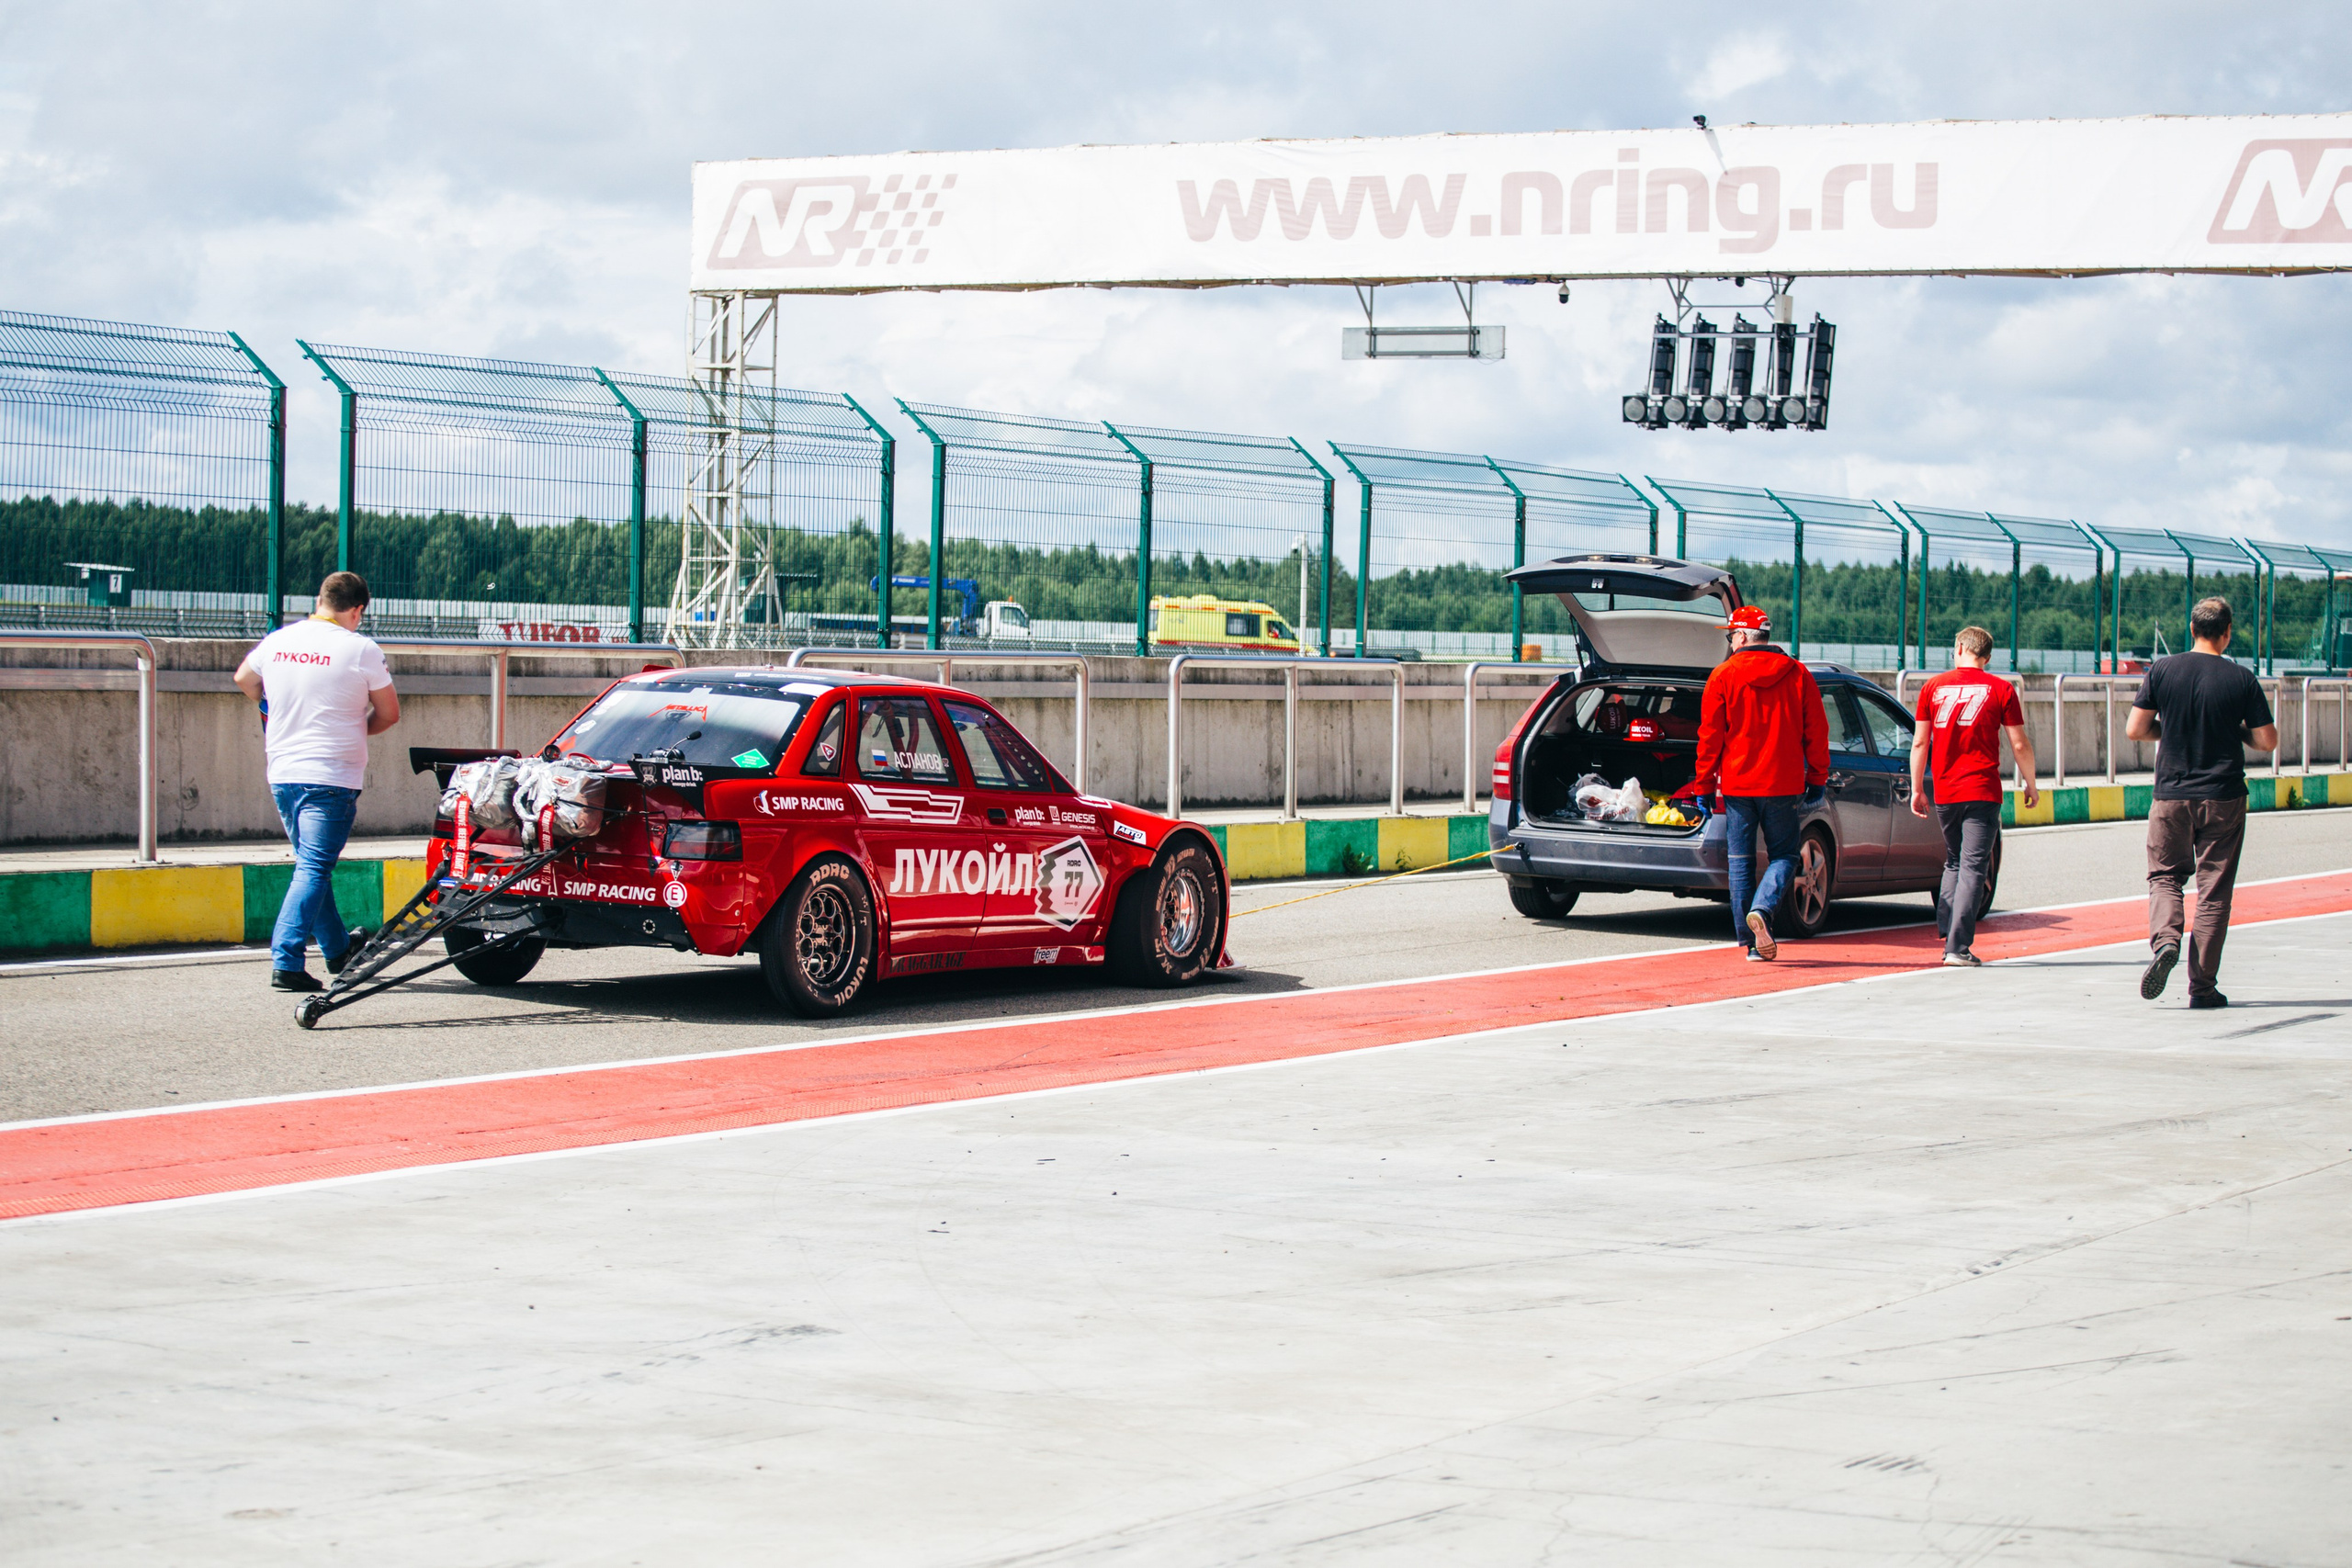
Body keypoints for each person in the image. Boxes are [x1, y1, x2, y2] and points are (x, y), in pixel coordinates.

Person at [232, 571, 401, 992]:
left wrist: (286, 709)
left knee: (313, 864)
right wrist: (352, 728)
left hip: (284, 771)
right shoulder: (361, 649)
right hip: (331, 775)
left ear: (322, 600)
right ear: (358, 609)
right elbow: (389, 713)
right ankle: (286, 960)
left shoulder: (279, 640)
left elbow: (244, 680)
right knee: (313, 867)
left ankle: (338, 949)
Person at [2124, 596, 2277, 1009]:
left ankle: (2166, 944)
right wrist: (2235, 732)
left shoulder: (2163, 670)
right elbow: (2267, 740)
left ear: (2191, 629)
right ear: (2226, 634)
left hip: (2172, 794)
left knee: (2164, 877)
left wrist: (2170, 731)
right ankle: (2203, 989)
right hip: (2224, 796)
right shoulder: (2241, 678)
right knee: (2214, 893)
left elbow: (2135, 729)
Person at [1696, 605, 1827, 962]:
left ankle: (1750, 944)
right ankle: (1764, 910)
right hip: (1784, 784)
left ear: (1741, 637)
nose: (1730, 642)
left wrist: (1703, 785)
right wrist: (1817, 776)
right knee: (1784, 855)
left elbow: (1710, 737)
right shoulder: (1798, 674)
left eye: (1730, 636)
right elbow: (1817, 731)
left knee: (1740, 860)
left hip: (1739, 785)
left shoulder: (1723, 676)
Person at [1909, 626, 2038, 968]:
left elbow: (1921, 742)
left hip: (1947, 790)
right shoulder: (2001, 689)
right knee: (1973, 866)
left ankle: (1946, 931)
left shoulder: (1932, 687)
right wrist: (2031, 783)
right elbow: (2020, 743)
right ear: (1987, 657)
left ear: (1962, 647)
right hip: (1982, 789)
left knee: (1954, 860)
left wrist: (1917, 787)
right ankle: (1958, 947)